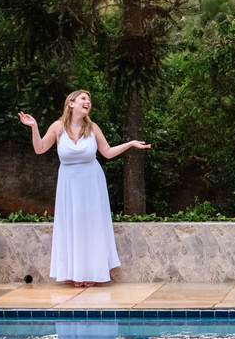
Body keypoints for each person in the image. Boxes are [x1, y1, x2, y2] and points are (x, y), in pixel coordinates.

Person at [18, 90, 150, 287]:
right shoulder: (57, 127)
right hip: (68, 185)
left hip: (91, 184)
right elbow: (39, 149)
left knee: (91, 225)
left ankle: (92, 272)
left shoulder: (93, 128)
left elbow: (107, 152)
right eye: (83, 99)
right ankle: (75, 273)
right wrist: (34, 127)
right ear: (71, 103)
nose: (87, 102)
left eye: (89, 100)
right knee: (73, 225)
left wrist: (129, 144)